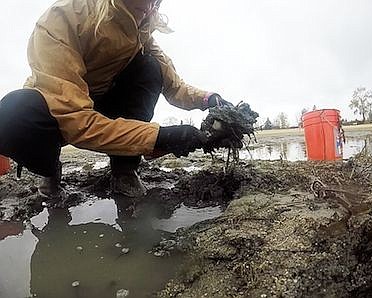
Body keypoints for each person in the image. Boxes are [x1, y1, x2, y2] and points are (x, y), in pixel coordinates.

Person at [0, 0, 232, 198]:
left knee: (150, 67)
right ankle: (49, 171)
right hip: (57, 111)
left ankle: (124, 170)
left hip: (104, 103)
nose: (151, 8)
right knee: (13, 115)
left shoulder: (142, 31)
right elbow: (75, 120)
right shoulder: (60, 19)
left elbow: (175, 87)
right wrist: (159, 137)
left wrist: (208, 99)